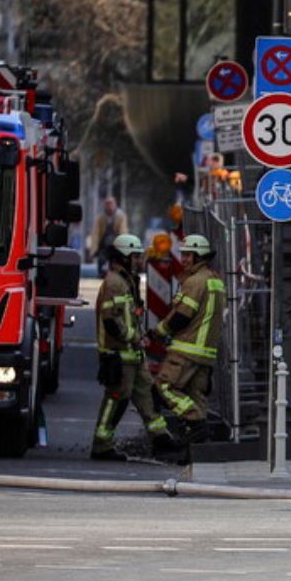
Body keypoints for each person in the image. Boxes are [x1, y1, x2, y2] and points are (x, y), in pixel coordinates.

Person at [91, 234, 177, 461]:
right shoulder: (114, 283)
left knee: (148, 394)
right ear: (125, 256)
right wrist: (134, 338)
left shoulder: (127, 280)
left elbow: (129, 317)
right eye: (136, 256)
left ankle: (161, 439)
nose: (140, 260)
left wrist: (140, 339)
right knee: (117, 398)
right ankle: (101, 444)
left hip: (133, 355)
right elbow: (111, 321)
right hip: (118, 354)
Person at [148, 234, 225, 445]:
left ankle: (196, 423)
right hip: (206, 353)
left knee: (164, 386)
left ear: (199, 256)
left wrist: (159, 332)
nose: (184, 259)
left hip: (187, 349)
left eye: (188, 255)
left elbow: (181, 316)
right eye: (182, 254)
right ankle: (200, 446)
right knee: (196, 394)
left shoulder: (194, 282)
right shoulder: (215, 280)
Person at [90, 197, 129, 275]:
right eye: (107, 205)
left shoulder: (121, 217)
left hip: (116, 243)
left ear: (115, 205)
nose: (109, 207)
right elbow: (96, 233)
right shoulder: (101, 218)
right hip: (104, 244)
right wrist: (94, 249)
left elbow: (123, 230)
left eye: (111, 204)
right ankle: (101, 273)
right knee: (101, 258)